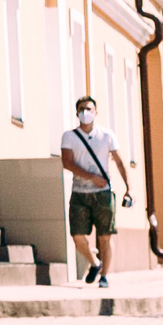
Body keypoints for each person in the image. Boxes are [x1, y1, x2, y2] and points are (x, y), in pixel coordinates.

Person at [61, 97, 135, 289]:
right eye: (82, 109)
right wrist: (91, 177)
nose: (85, 112)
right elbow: (67, 162)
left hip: (103, 193)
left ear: (96, 112)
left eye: (89, 108)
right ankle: (95, 262)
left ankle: (104, 276)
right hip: (80, 192)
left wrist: (129, 187)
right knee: (77, 235)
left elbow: (119, 162)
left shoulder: (106, 135)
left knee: (105, 235)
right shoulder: (69, 137)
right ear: (77, 112)